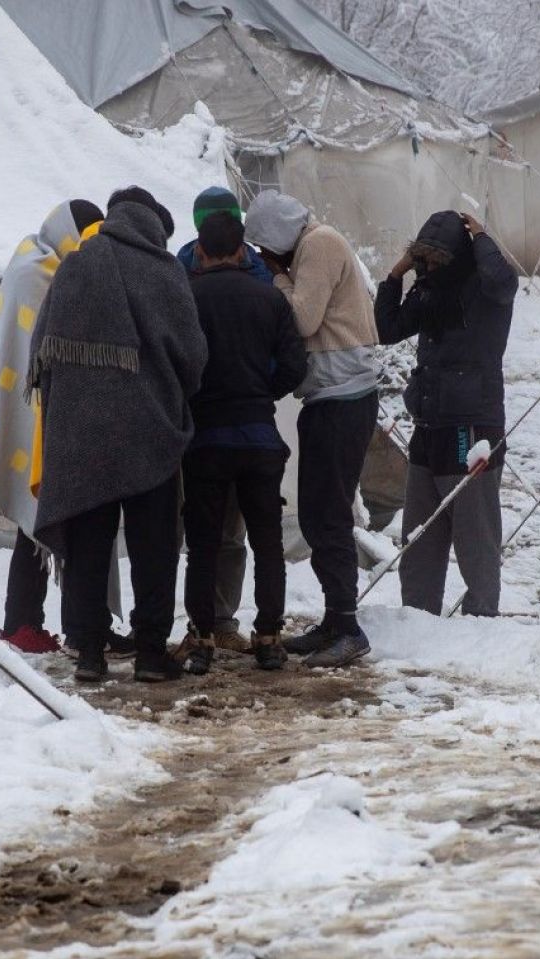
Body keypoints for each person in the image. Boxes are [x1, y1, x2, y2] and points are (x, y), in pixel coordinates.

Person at [30, 186, 206, 684]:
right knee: (154, 548)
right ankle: (151, 654)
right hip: (149, 432)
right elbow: (192, 356)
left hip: (79, 437)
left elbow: (41, 353)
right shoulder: (164, 271)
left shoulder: (75, 266)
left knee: (89, 548)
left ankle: (89, 653)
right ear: (152, 224)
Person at [0, 199, 134, 658]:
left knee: (53, 524)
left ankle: (55, 624)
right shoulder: (37, 276)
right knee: (47, 521)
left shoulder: (33, 261)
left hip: (46, 418)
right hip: (36, 419)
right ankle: (31, 623)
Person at [244, 190, 381, 668]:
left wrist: (278, 279)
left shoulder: (319, 245)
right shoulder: (311, 246)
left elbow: (302, 319)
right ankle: (333, 619)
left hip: (344, 399)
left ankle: (347, 626)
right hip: (329, 398)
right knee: (318, 514)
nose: (264, 258)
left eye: (264, 248)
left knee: (329, 516)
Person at [181, 211, 308, 675]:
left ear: (199, 250)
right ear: (242, 253)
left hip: (206, 438)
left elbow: (177, 363)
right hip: (259, 434)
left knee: (204, 544)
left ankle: (201, 641)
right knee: (267, 541)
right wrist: (260, 391)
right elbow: (295, 367)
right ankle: (270, 638)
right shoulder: (269, 299)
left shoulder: (186, 298)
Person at [374, 210, 518, 617]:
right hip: (428, 423)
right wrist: (395, 275)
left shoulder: (485, 293)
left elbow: (504, 281)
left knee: (475, 533)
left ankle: (481, 616)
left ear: (461, 256)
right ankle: (417, 616)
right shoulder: (428, 292)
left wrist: (482, 237)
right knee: (419, 532)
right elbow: (386, 329)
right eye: (425, 259)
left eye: (439, 260)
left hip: (471, 426)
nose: (431, 268)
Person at [173, 186, 269, 657]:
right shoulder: (177, 268)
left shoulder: (257, 271)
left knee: (230, 532)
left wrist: (256, 386)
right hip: (194, 420)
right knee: (198, 530)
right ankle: (199, 624)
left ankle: (221, 621)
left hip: (234, 419)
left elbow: (275, 340)